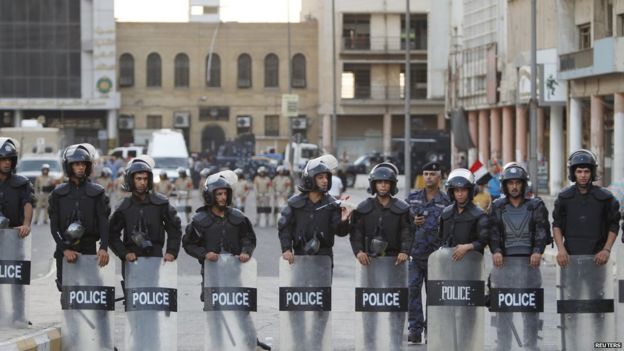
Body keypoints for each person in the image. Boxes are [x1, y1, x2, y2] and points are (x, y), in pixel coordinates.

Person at [489, 162, 550, 351]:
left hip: (529, 267)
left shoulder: (536, 205)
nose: (514, 186)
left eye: (517, 182)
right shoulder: (497, 206)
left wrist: (538, 251)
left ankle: (531, 346)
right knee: (503, 313)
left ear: (523, 184)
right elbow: (492, 232)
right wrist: (496, 250)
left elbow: (542, 230)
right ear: (505, 185)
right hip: (504, 266)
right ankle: (503, 346)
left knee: (530, 311)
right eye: (510, 183)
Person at [48, 144, 110, 291]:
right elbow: (54, 226)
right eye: (76, 164)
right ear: (69, 166)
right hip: (64, 248)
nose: (80, 167)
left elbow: (103, 221)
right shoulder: (58, 194)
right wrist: (64, 249)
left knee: (91, 289)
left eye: (83, 164)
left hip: (88, 247)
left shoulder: (97, 192)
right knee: (67, 292)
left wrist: (103, 247)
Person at [405, 161, 451, 344]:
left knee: (434, 294)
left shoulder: (447, 201)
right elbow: (403, 225)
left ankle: (431, 329)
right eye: (425, 174)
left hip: (437, 256)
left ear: (439, 177)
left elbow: (450, 228)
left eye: (432, 174)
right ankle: (415, 329)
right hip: (415, 255)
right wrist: (411, 223)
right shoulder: (412, 198)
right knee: (412, 291)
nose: (428, 177)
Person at [278, 154, 351, 264]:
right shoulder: (294, 203)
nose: (325, 180)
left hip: (324, 258)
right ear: (310, 179)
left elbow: (341, 232)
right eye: (320, 177)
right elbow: (285, 228)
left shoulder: (332, 204)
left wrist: (344, 220)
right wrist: (287, 249)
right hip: (299, 257)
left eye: (326, 177)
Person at [109, 157, 182, 266]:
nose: (142, 182)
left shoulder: (161, 203)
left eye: (145, 179)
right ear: (131, 180)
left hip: (156, 257)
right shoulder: (123, 207)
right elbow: (111, 234)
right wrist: (124, 253)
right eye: (138, 179)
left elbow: (174, 229)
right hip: (132, 259)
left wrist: (171, 251)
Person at [553, 149, 620, 265]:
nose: (583, 175)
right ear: (573, 173)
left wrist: (606, 250)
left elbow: (614, 225)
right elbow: (556, 225)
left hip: (597, 259)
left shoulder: (606, 198)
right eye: (579, 172)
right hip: (570, 258)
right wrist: (561, 250)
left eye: (586, 171)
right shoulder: (564, 197)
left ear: (592, 172)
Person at [438, 168, 489, 258]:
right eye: (456, 190)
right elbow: (441, 239)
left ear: (470, 191)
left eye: (463, 190)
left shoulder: (479, 215)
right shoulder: (446, 213)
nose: (460, 194)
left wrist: (468, 247)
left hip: (471, 263)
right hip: (447, 263)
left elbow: (484, 241)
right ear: (452, 192)